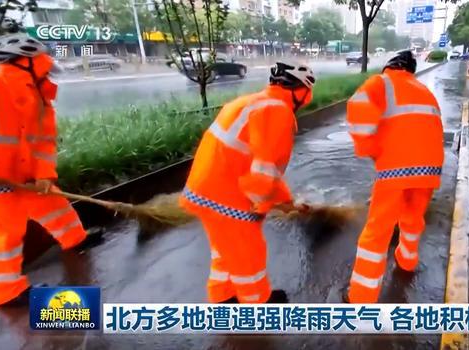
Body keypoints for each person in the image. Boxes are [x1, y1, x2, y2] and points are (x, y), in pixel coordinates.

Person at [180, 61, 316, 304]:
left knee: (225, 251)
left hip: (203, 190)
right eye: (308, 90)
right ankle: (257, 304)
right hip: (227, 196)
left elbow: (261, 166)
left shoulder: (251, 102)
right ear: (299, 91)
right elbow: (264, 174)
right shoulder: (278, 112)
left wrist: (287, 201)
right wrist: (268, 207)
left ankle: (223, 297)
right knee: (248, 254)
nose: (309, 97)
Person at [0, 31, 104, 307]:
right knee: (6, 233)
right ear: (23, 65)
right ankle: (7, 291)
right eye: (43, 68)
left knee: (55, 204)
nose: (49, 74)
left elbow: (44, 142)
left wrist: (44, 174)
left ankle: (75, 239)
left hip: (28, 175)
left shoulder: (41, 101)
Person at [343, 50, 444, 303]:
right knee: (412, 219)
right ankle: (407, 262)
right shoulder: (425, 91)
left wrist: (369, 148)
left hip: (396, 171)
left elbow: (357, 106)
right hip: (430, 170)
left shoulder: (381, 83)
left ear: (389, 67)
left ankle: (361, 297)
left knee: (378, 230)